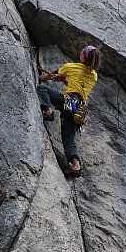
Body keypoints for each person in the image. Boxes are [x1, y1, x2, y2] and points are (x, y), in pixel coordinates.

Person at [37, 45, 101, 179]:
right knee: (68, 139)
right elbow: (79, 88)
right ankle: (76, 166)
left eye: (82, 52)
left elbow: (44, 78)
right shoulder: (94, 76)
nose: (80, 53)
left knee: (42, 88)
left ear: (84, 56)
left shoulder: (71, 67)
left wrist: (52, 77)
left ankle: (48, 111)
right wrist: (64, 80)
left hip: (68, 101)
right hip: (78, 110)